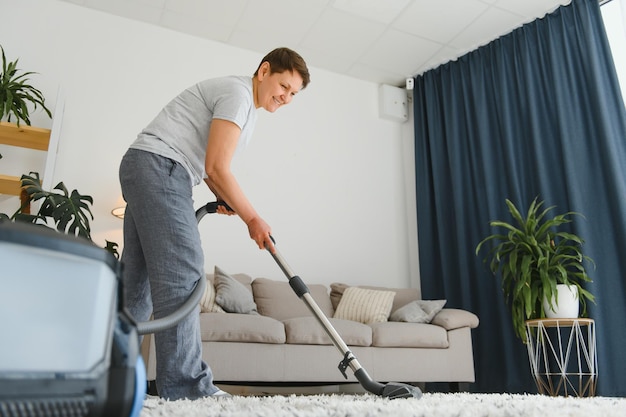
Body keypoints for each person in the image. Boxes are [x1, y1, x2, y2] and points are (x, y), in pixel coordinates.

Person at [118, 47, 310, 400]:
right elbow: (217, 168)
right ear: (264, 71)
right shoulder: (238, 95)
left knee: (136, 285)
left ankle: (107, 376)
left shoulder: (244, 107)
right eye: (284, 86)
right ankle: (186, 386)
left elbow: (209, 166)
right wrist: (252, 217)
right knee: (184, 272)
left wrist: (223, 197)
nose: (286, 98)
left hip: (149, 166)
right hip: (160, 168)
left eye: (293, 94)